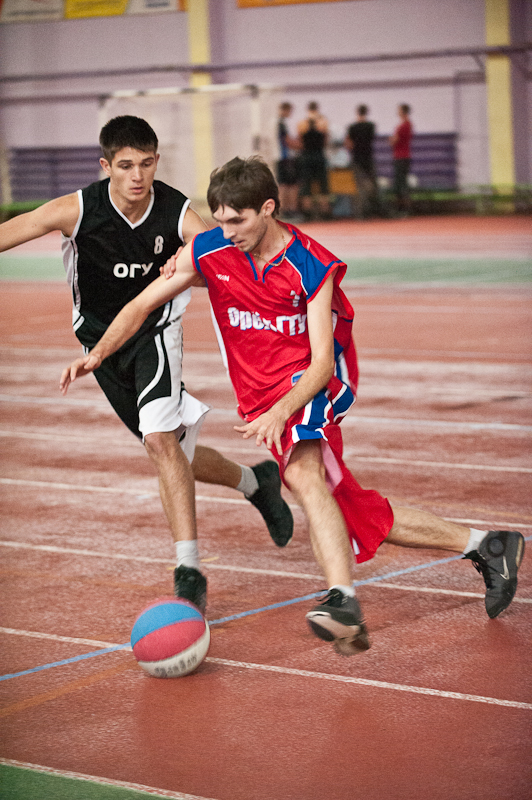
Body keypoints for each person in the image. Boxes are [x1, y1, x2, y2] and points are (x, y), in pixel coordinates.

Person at [60, 156, 525, 656]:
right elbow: (140, 305)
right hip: (262, 397)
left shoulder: (311, 264)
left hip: (311, 385)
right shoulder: (211, 249)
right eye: (219, 220)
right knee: (350, 510)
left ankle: (343, 603)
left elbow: (322, 363)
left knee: (303, 476)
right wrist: (98, 354)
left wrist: (282, 412)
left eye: (237, 221)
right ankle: (487, 545)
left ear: (267, 208)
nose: (227, 231)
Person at [0, 118, 293, 614]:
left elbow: (225, 267)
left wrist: (189, 269)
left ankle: (188, 570)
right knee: (171, 450)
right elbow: (12, 231)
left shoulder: (177, 213)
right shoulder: (77, 210)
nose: (137, 176)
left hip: (156, 333)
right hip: (101, 344)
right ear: (106, 166)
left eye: (146, 163)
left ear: (157, 161)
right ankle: (255, 482)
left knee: (159, 441)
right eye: (125, 166)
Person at [344, 104, 386, 220]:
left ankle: (360, 213)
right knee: (373, 185)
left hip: (357, 159)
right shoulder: (371, 126)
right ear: (366, 112)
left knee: (359, 187)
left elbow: (349, 144)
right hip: (368, 157)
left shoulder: (352, 127)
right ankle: (375, 210)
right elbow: (371, 139)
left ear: (357, 112)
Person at [297, 101, 331, 220]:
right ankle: (325, 213)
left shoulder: (302, 123)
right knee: (323, 185)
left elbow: (300, 141)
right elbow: (326, 140)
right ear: (317, 108)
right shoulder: (323, 122)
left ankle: (307, 214)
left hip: (307, 156)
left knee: (307, 185)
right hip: (319, 155)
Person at [276, 101, 300, 220]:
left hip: (281, 157)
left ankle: (285, 209)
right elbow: (287, 141)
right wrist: (300, 145)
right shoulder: (281, 123)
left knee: (284, 184)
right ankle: (288, 209)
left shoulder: (279, 123)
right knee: (288, 184)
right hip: (284, 157)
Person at [389, 103, 414, 217]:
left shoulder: (403, 125)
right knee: (401, 183)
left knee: (400, 184)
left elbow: (395, 140)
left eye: (399, 110)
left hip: (401, 156)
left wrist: (391, 140)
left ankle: (403, 209)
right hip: (404, 156)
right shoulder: (408, 124)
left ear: (403, 112)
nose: (397, 112)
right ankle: (403, 208)